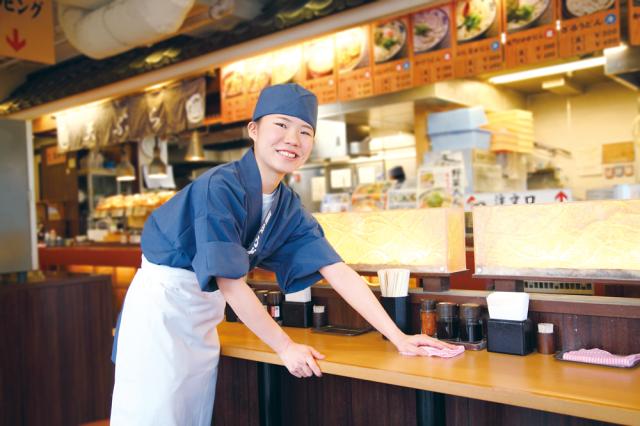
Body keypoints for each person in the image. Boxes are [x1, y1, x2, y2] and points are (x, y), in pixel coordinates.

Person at [110, 83, 456, 425]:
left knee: (191, 415)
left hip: (203, 313)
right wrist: (285, 346)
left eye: (305, 131)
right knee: (152, 414)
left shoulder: (287, 206)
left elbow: (337, 270)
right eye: (281, 125)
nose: (293, 138)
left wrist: (399, 337)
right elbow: (230, 283)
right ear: (253, 130)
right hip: (163, 309)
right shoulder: (221, 186)